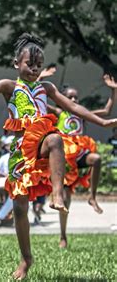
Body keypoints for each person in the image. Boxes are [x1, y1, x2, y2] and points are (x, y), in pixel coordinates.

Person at [0, 33, 117, 280]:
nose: (34, 70)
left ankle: (57, 193)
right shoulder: (10, 86)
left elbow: (74, 108)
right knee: (19, 207)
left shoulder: (47, 88)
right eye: (29, 64)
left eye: (38, 66)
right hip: (21, 151)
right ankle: (26, 258)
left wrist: (102, 120)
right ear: (17, 63)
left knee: (56, 138)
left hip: (43, 144)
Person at [39, 71, 117, 247]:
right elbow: (40, 100)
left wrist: (114, 90)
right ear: (63, 99)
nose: (74, 101)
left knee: (96, 159)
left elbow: (106, 111)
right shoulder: (59, 112)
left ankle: (92, 196)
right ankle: (63, 236)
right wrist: (41, 79)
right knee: (65, 199)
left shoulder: (81, 113)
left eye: (76, 98)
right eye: (70, 98)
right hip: (64, 156)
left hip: (80, 151)